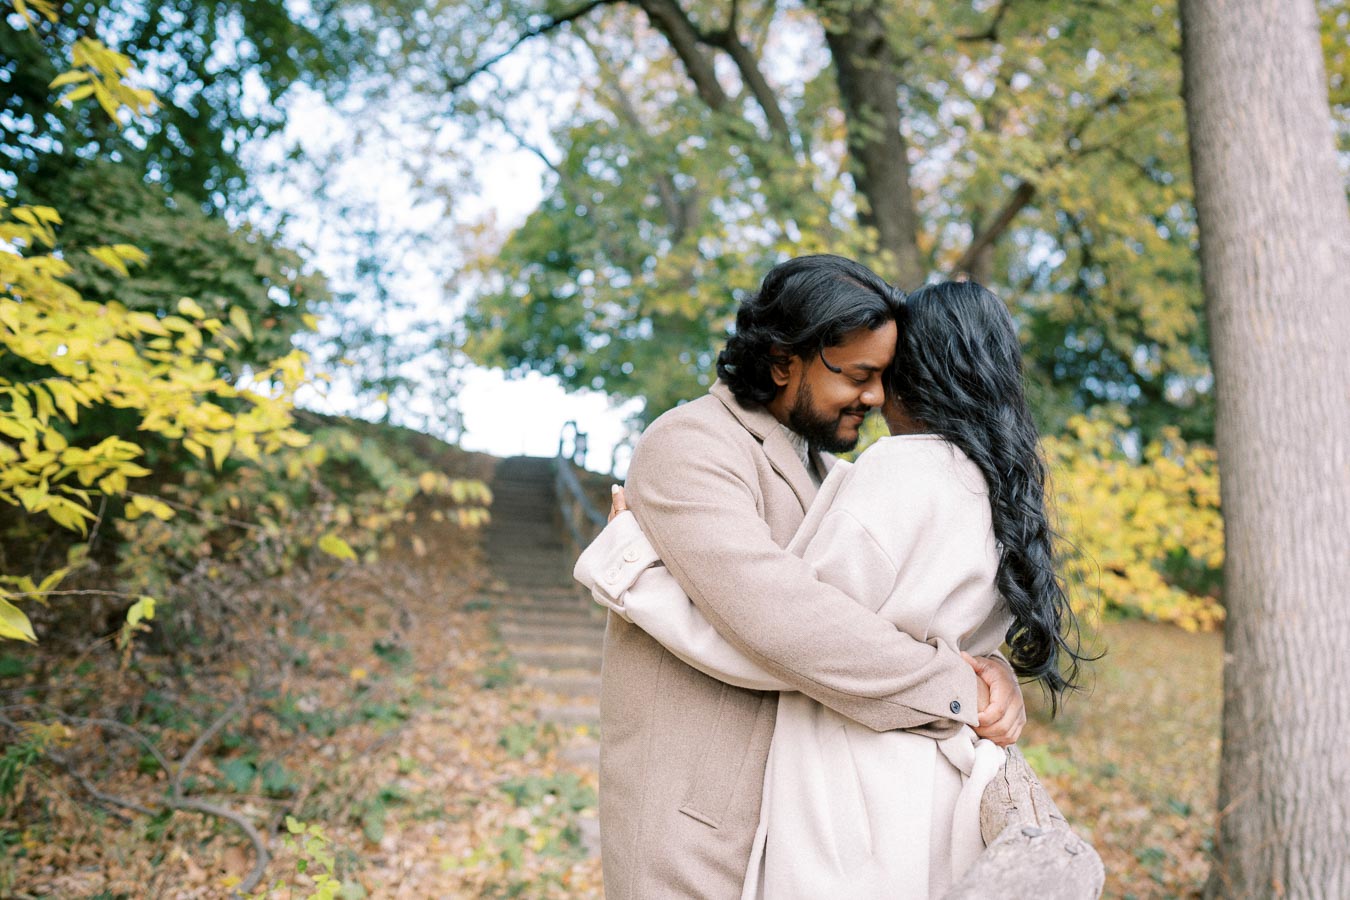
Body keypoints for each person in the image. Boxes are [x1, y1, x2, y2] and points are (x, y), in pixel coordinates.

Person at [579, 279, 1082, 897]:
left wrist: (986, 669)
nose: (875, 395)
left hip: (818, 811)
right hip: (704, 825)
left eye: (885, 375)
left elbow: (881, 621)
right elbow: (789, 632)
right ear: (785, 362)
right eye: (859, 374)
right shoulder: (691, 444)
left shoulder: (836, 470)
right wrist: (957, 686)